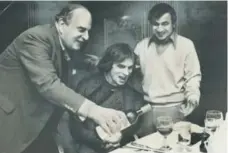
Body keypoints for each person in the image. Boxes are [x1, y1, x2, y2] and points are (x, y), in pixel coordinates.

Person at [0, 4, 128, 153]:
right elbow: (49, 85)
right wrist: (95, 111)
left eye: (88, 31)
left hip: (40, 129)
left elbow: (83, 62)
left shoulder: (64, 45)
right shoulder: (35, 38)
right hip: (12, 125)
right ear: (61, 24)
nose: (86, 37)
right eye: (81, 30)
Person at [56, 43, 144, 153]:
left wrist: (120, 138)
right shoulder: (87, 86)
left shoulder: (133, 95)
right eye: (121, 66)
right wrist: (102, 142)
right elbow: (76, 128)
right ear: (109, 64)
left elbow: (134, 127)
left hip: (120, 146)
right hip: (89, 145)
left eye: (130, 68)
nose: (126, 73)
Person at [134, 3, 201, 136]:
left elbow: (193, 76)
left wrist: (193, 97)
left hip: (175, 110)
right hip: (146, 110)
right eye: (155, 24)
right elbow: (133, 77)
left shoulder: (186, 45)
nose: (159, 29)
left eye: (165, 24)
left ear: (173, 24)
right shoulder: (140, 47)